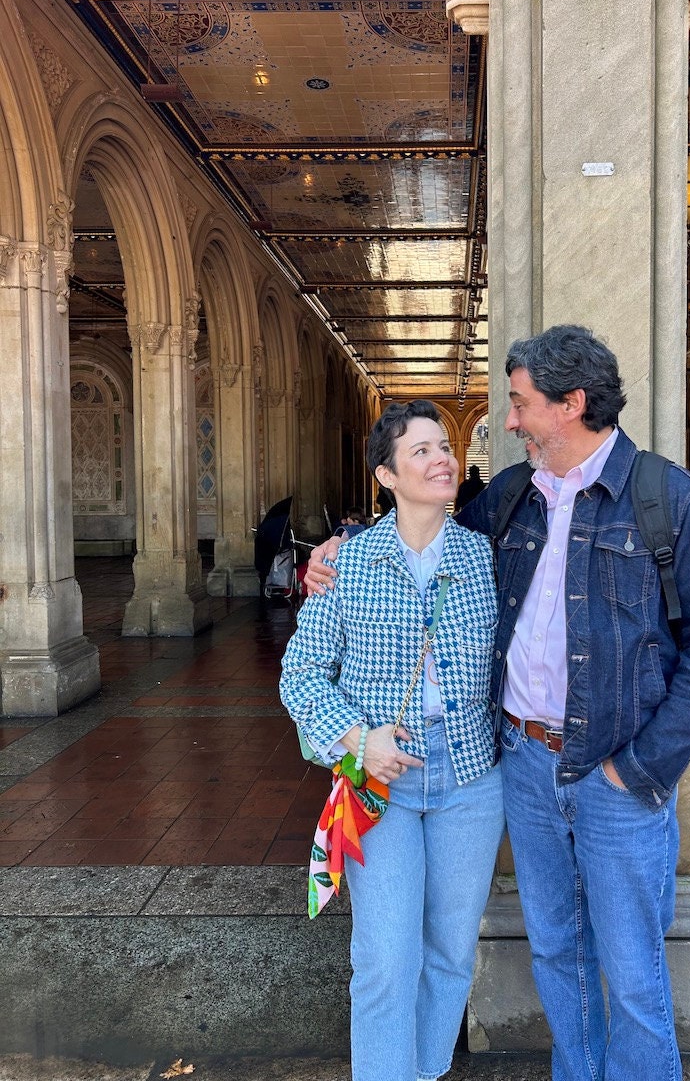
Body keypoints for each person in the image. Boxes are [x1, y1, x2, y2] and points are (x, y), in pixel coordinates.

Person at [306, 326, 690, 1081]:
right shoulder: (511, 502)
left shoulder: (668, 499)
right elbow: (416, 537)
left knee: (633, 974)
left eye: (519, 403)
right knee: (556, 955)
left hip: (616, 777)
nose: (506, 422)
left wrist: (641, 767)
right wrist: (340, 546)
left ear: (570, 404)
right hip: (524, 771)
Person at [279, 400, 504, 1081]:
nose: (443, 460)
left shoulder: (487, 556)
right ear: (386, 474)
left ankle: (426, 1070)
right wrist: (356, 739)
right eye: (422, 452)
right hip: (382, 782)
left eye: (445, 447)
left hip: (471, 779)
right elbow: (300, 673)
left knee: (450, 954)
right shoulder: (349, 562)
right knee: (383, 956)